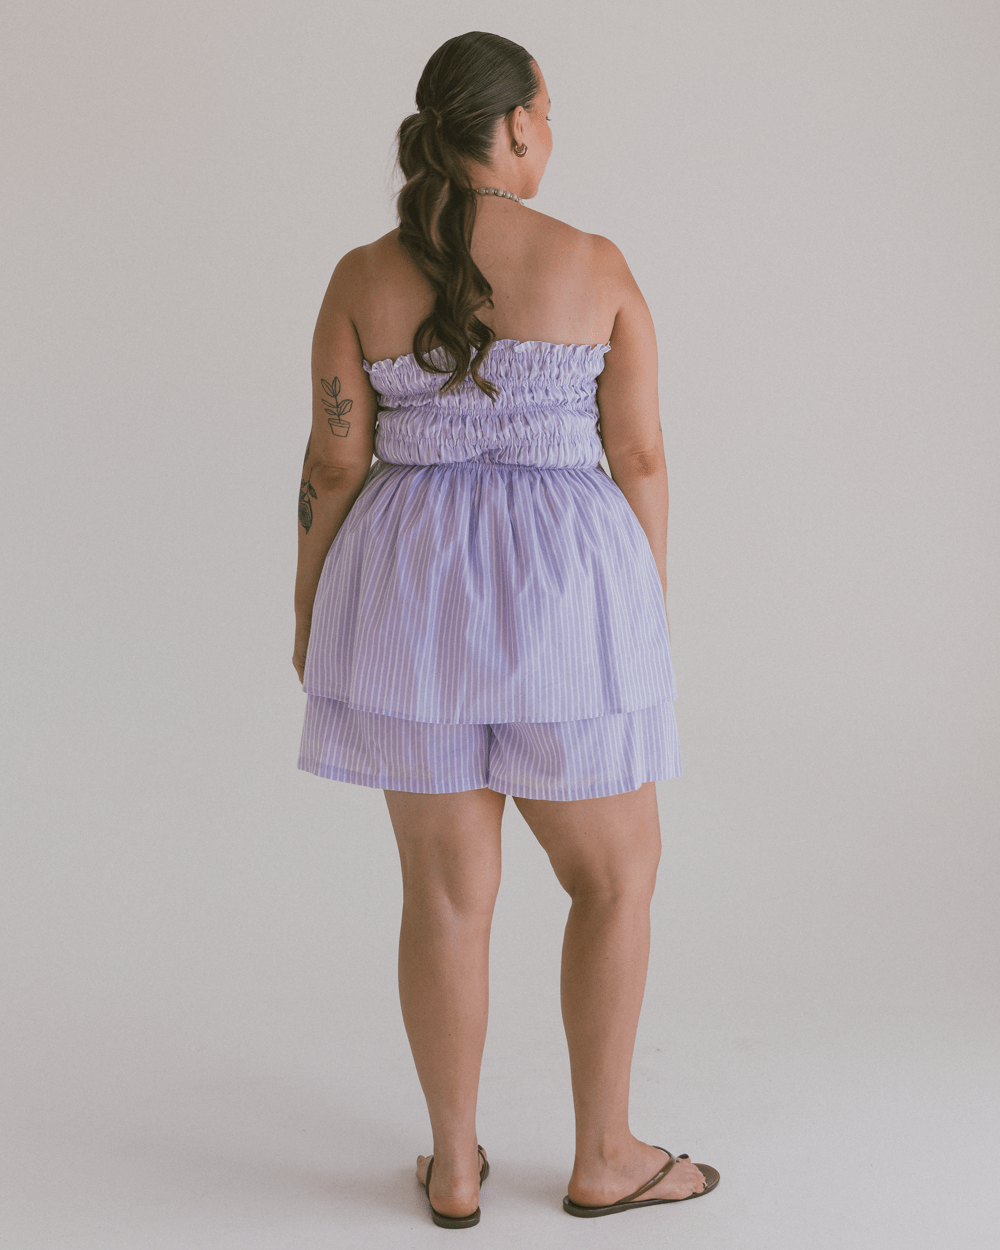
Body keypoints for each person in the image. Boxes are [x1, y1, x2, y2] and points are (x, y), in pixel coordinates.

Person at [292, 30, 718, 1229]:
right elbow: (638, 452)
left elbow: (334, 458)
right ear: (518, 123)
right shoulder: (592, 261)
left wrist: (309, 600)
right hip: (563, 593)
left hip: (406, 591)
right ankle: (604, 1154)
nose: (550, 133)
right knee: (615, 874)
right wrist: (642, 602)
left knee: (444, 892)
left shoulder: (361, 274)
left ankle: (455, 1166)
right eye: (548, 113)